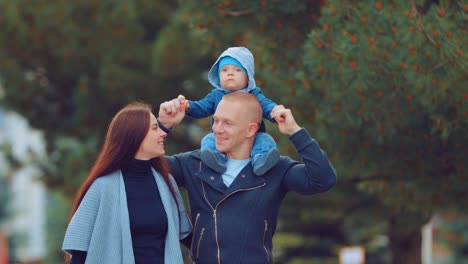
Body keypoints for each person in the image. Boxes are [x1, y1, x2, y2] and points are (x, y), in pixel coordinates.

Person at [159, 92, 337, 263]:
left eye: (227, 123)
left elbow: (323, 179)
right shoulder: (193, 163)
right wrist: (163, 126)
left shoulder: (276, 169)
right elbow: (144, 164)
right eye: (216, 121)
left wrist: (295, 132)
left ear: (251, 129)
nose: (217, 129)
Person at [62, 102, 192, 264]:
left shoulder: (167, 183)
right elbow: (79, 249)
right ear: (134, 136)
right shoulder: (102, 187)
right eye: (154, 128)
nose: (163, 133)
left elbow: (188, 237)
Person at [184, 46, 280, 175]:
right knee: (208, 139)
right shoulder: (216, 95)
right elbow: (202, 107)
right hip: (221, 138)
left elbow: (266, 105)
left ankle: (260, 161)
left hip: (252, 137)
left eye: (237, 70)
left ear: (248, 76)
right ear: (218, 75)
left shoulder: (254, 94)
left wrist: (275, 111)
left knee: (266, 140)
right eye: (224, 70)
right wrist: (188, 106)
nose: (230, 73)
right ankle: (217, 158)